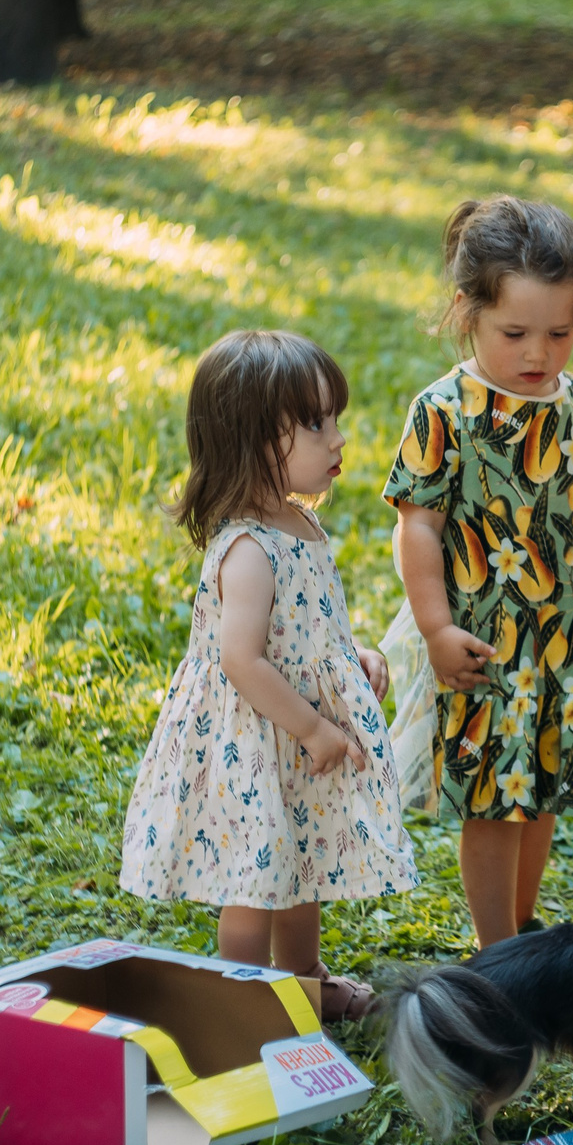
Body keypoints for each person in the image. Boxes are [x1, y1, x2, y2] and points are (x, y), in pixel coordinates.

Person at [118, 330, 414, 1020]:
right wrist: (313, 726)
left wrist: (356, 656)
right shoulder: (248, 548)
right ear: (251, 441)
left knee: (301, 857)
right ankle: (240, 1001)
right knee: (254, 877)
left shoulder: (301, 525)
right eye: (315, 423)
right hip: (253, 739)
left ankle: (303, 977)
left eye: (333, 418)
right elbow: (241, 659)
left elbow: (307, 632)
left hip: (295, 739)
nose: (336, 437)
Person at [385, 198, 573, 947]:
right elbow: (417, 526)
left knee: (544, 791)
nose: (540, 353)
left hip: (558, 648)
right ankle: (497, 947)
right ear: (468, 312)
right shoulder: (445, 412)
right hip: (485, 648)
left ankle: (523, 928)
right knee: (495, 803)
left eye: (560, 333)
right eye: (516, 333)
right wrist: (434, 627)